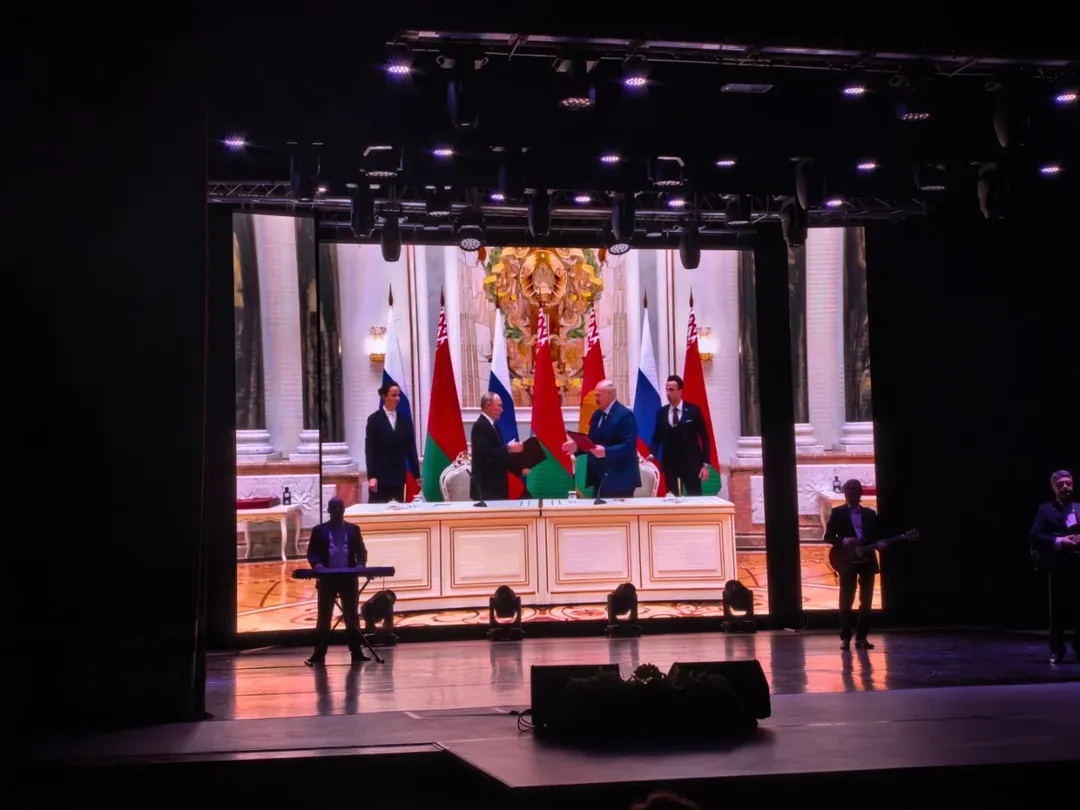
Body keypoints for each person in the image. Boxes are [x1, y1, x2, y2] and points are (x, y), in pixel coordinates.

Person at [305, 497, 369, 665]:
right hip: (327, 579)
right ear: (328, 510)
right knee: (324, 617)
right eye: (333, 508)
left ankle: (356, 651)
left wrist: (360, 565)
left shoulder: (353, 530)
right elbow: (312, 552)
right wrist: (317, 564)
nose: (337, 511)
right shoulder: (319, 530)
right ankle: (319, 653)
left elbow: (361, 551)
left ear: (344, 509)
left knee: (352, 616)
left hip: (348, 578)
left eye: (339, 507)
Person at [824, 479, 887, 650]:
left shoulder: (870, 514)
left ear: (860, 494)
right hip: (847, 560)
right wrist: (844, 541)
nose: (850, 494)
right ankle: (845, 638)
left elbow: (876, 536)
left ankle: (861, 638)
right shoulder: (838, 513)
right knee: (846, 599)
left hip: (867, 559)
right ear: (845, 494)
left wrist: (880, 543)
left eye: (854, 490)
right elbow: (828, 536)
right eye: (848, 491)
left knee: (866, 601)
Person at [1029, 470, 1080, 664]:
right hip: (1059, 566)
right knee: (1057, 610)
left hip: (1079, 564)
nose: (1065, 487)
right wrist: (1059, 542)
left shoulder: (1079, 508)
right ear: (1054, 488)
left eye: (1068, 483)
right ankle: (1057, 650)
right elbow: (1035, 535)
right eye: (1061, 484)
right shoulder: (1046, 510)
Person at [561, 379, 641, 498]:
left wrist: (606, 452)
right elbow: (592, 442)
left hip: (619, 479)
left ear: (609, 394)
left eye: (598, 396)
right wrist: (577, 446)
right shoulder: (597, 415)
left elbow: (629, 446)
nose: (596, 399)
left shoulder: (625, 415)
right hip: (599, 478)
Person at [647, 374, 712, 496]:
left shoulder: (693, 411)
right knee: (672, 499)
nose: (668, 393)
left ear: (680, 391)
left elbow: (705, 438)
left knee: (695, 498)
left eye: (671, 390)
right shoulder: (662, 412)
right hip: (671, 465)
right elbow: (657, 437)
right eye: (666, 390)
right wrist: (652, 454)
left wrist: (705, 464)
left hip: (691, 465)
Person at [365, 381, 421, 503]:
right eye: (393, 395)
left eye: (398, 395)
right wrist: (372, 476)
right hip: (380, 477)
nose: (397, 398)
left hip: (398, 476)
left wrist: (417, 475)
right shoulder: (374, 420)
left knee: (397, 509)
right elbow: (370, 450)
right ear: (384, 397)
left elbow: (410, 449)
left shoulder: (404, 420)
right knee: (379, 510)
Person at [470, 391, 524, 501]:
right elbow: (486, 456)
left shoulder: (495, 427)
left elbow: (500, 457)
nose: (502, 410)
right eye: (499, 405)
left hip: (497, 488)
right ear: (488, 405)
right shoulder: (480, 426)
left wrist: (519, 470)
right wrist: (509, 448)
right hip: (486, 489)